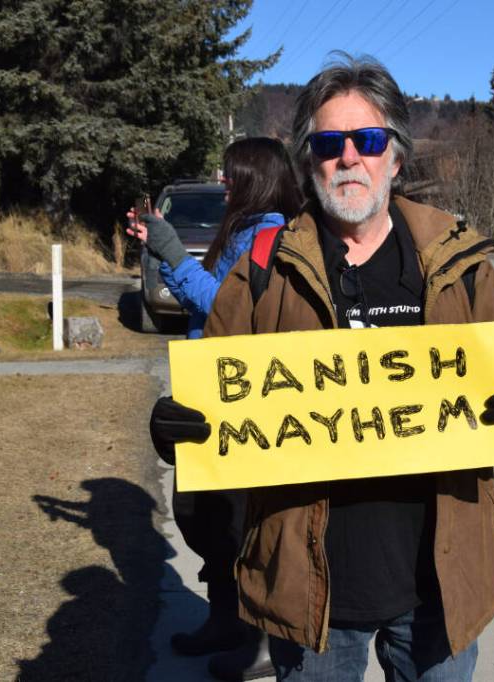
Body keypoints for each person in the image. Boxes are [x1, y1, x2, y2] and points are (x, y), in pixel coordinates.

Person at [150, 54, 494, 682]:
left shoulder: (456, 260)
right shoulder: (264, 269)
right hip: (310, 593)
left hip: (438, 588)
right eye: (329, 143)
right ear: (308, 160)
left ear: (394, 156)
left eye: (367, 140)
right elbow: (214, 402)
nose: (349, 158)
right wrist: (180, 430)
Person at [130, 137, 303, 682]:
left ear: (257, 177)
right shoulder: (241, 230)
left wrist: (175, 253)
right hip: (209, 392)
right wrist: (163, 252)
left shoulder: (271, 236)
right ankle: (226, 619)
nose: (223, 183)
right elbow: (200, 304)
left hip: (242, 401)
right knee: (199, 514)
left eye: (231, 174)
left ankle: (261, 637)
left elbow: (230, 309)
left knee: (235, 522)